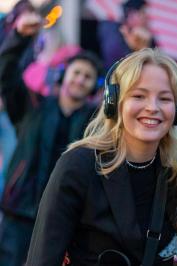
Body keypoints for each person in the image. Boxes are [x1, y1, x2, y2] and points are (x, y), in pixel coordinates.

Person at [26, 48, 177, 265]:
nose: (152, 107)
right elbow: (42, 259)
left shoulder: (176, 175)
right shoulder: (78, 165)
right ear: (114, 102)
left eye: (165, 98)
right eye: (139, 95)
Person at [0, 10, 102, 266]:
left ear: (93, 86)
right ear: (63, 75)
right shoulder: (33, 106)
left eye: (87, 76)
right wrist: (19, 37)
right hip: (20, 212)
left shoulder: (95, 122)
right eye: (77, 72)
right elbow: (6, 75)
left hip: (65, 217)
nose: (80, 79)